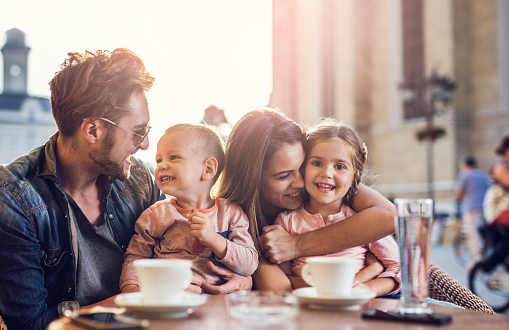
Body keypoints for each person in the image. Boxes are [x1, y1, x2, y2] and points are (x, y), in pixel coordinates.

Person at [0, 49, 250, 330]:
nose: (144, 145)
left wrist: (241, 279)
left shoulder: (139, 178)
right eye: (137, 131)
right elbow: (29, 325)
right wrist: (129, 300)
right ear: (93, 131)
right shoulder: (14, 199)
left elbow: (181, 253)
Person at [217, 108, 396, 291]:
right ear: (252, 180)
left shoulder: (326, 190)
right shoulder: (238, 224)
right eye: (284, 176)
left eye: (303, 167)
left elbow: (390, 216)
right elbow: (280, 288)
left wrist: (297, 245)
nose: (301, 182)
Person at [120, 124, 258, 292]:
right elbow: (136, 258)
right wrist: (130, 289)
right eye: (159, 160)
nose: (162, 165)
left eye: (174, 157)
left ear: (208, 169)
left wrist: (215, 240)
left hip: (218, 307)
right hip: (170, 304)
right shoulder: (155, 215)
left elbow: (249, 265)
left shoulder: (231, 214)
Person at [274, 119, 400, 296]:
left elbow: (395, 269)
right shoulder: (287, 222)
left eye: (340, 166)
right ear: (302, 167)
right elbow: (284, 277)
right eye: (317, 163)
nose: (327, 173)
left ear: (355, 173)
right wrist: (330, 287)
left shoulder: (363, 219)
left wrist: (367, 288)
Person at [454, 155, 490, 261]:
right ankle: (484, 254)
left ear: (465, 165)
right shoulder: (482, 174)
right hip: (485, 208)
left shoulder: (465, 174)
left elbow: (458, 192)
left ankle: (477, 259)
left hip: (471, 208)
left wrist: (457, 202)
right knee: (482, 233)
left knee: (473, 234)